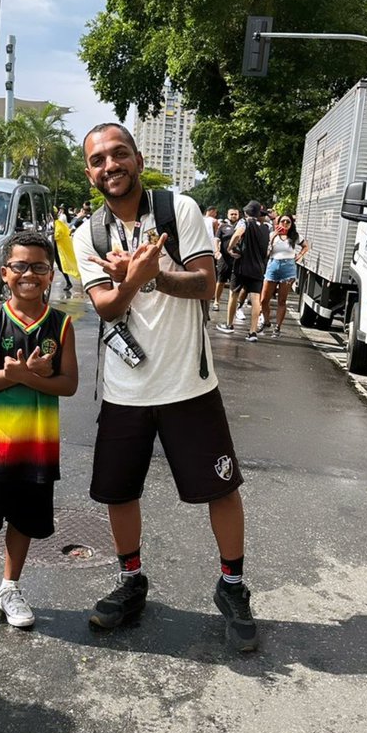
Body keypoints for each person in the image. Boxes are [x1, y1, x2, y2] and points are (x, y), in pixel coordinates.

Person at [72, 122, 257, 652]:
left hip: (189, 385)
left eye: (119, 154)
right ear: (90, 173)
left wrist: (153, 275)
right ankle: (132, 581)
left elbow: (206, 285)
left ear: (137, 157)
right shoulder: (90, 235)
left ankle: (233, 586)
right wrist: (133, 278)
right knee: (118, 492)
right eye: (100, 159)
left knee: (221, 489)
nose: (111, 165)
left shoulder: (180, 211)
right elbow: (106, 305)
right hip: (125, 391)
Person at [0, 230, 78, 634]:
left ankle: (10, 588)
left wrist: (31, 377)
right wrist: (14, 376)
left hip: (37, 448)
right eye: (20, 266)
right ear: (5, 272)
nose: (30, 274)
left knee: (24, 522)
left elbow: (68, 385)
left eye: (39, 267)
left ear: (51, 274)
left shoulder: (61, 325)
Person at [216, 201, 270, 342]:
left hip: (242, 265)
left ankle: (229, 324)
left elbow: (237, 235)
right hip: (258, 268)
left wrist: (229, 248)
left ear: (246, 212)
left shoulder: (244, 223)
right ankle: (252, 332)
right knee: (255, 298)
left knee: (233, 293)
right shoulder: (266, 228)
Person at [258, 214, 309, 336]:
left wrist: (300, 255)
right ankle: (266, 320)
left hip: (288, 268)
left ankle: (277, 327)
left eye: (288, 222)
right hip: (273, 266)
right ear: (278, 223)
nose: (285, 224)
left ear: (291, 224)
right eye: (283, 221)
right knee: (264, 300)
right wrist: (274, 236)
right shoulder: (272, 235)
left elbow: (306, 246)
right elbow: (266, 253)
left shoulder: (294, 236)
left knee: (282, 300)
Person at [213, 207, 240, 310]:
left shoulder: (241, 226)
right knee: (221, 281)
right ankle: (216, 301)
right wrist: (217, 251)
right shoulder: (223, 226)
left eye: (235, 214)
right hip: (224, 258)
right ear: (228, 215)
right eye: (232, 214)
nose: (234, 216)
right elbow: (216, 239)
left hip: (237, 259)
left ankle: (232, 304)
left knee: (234, 282)